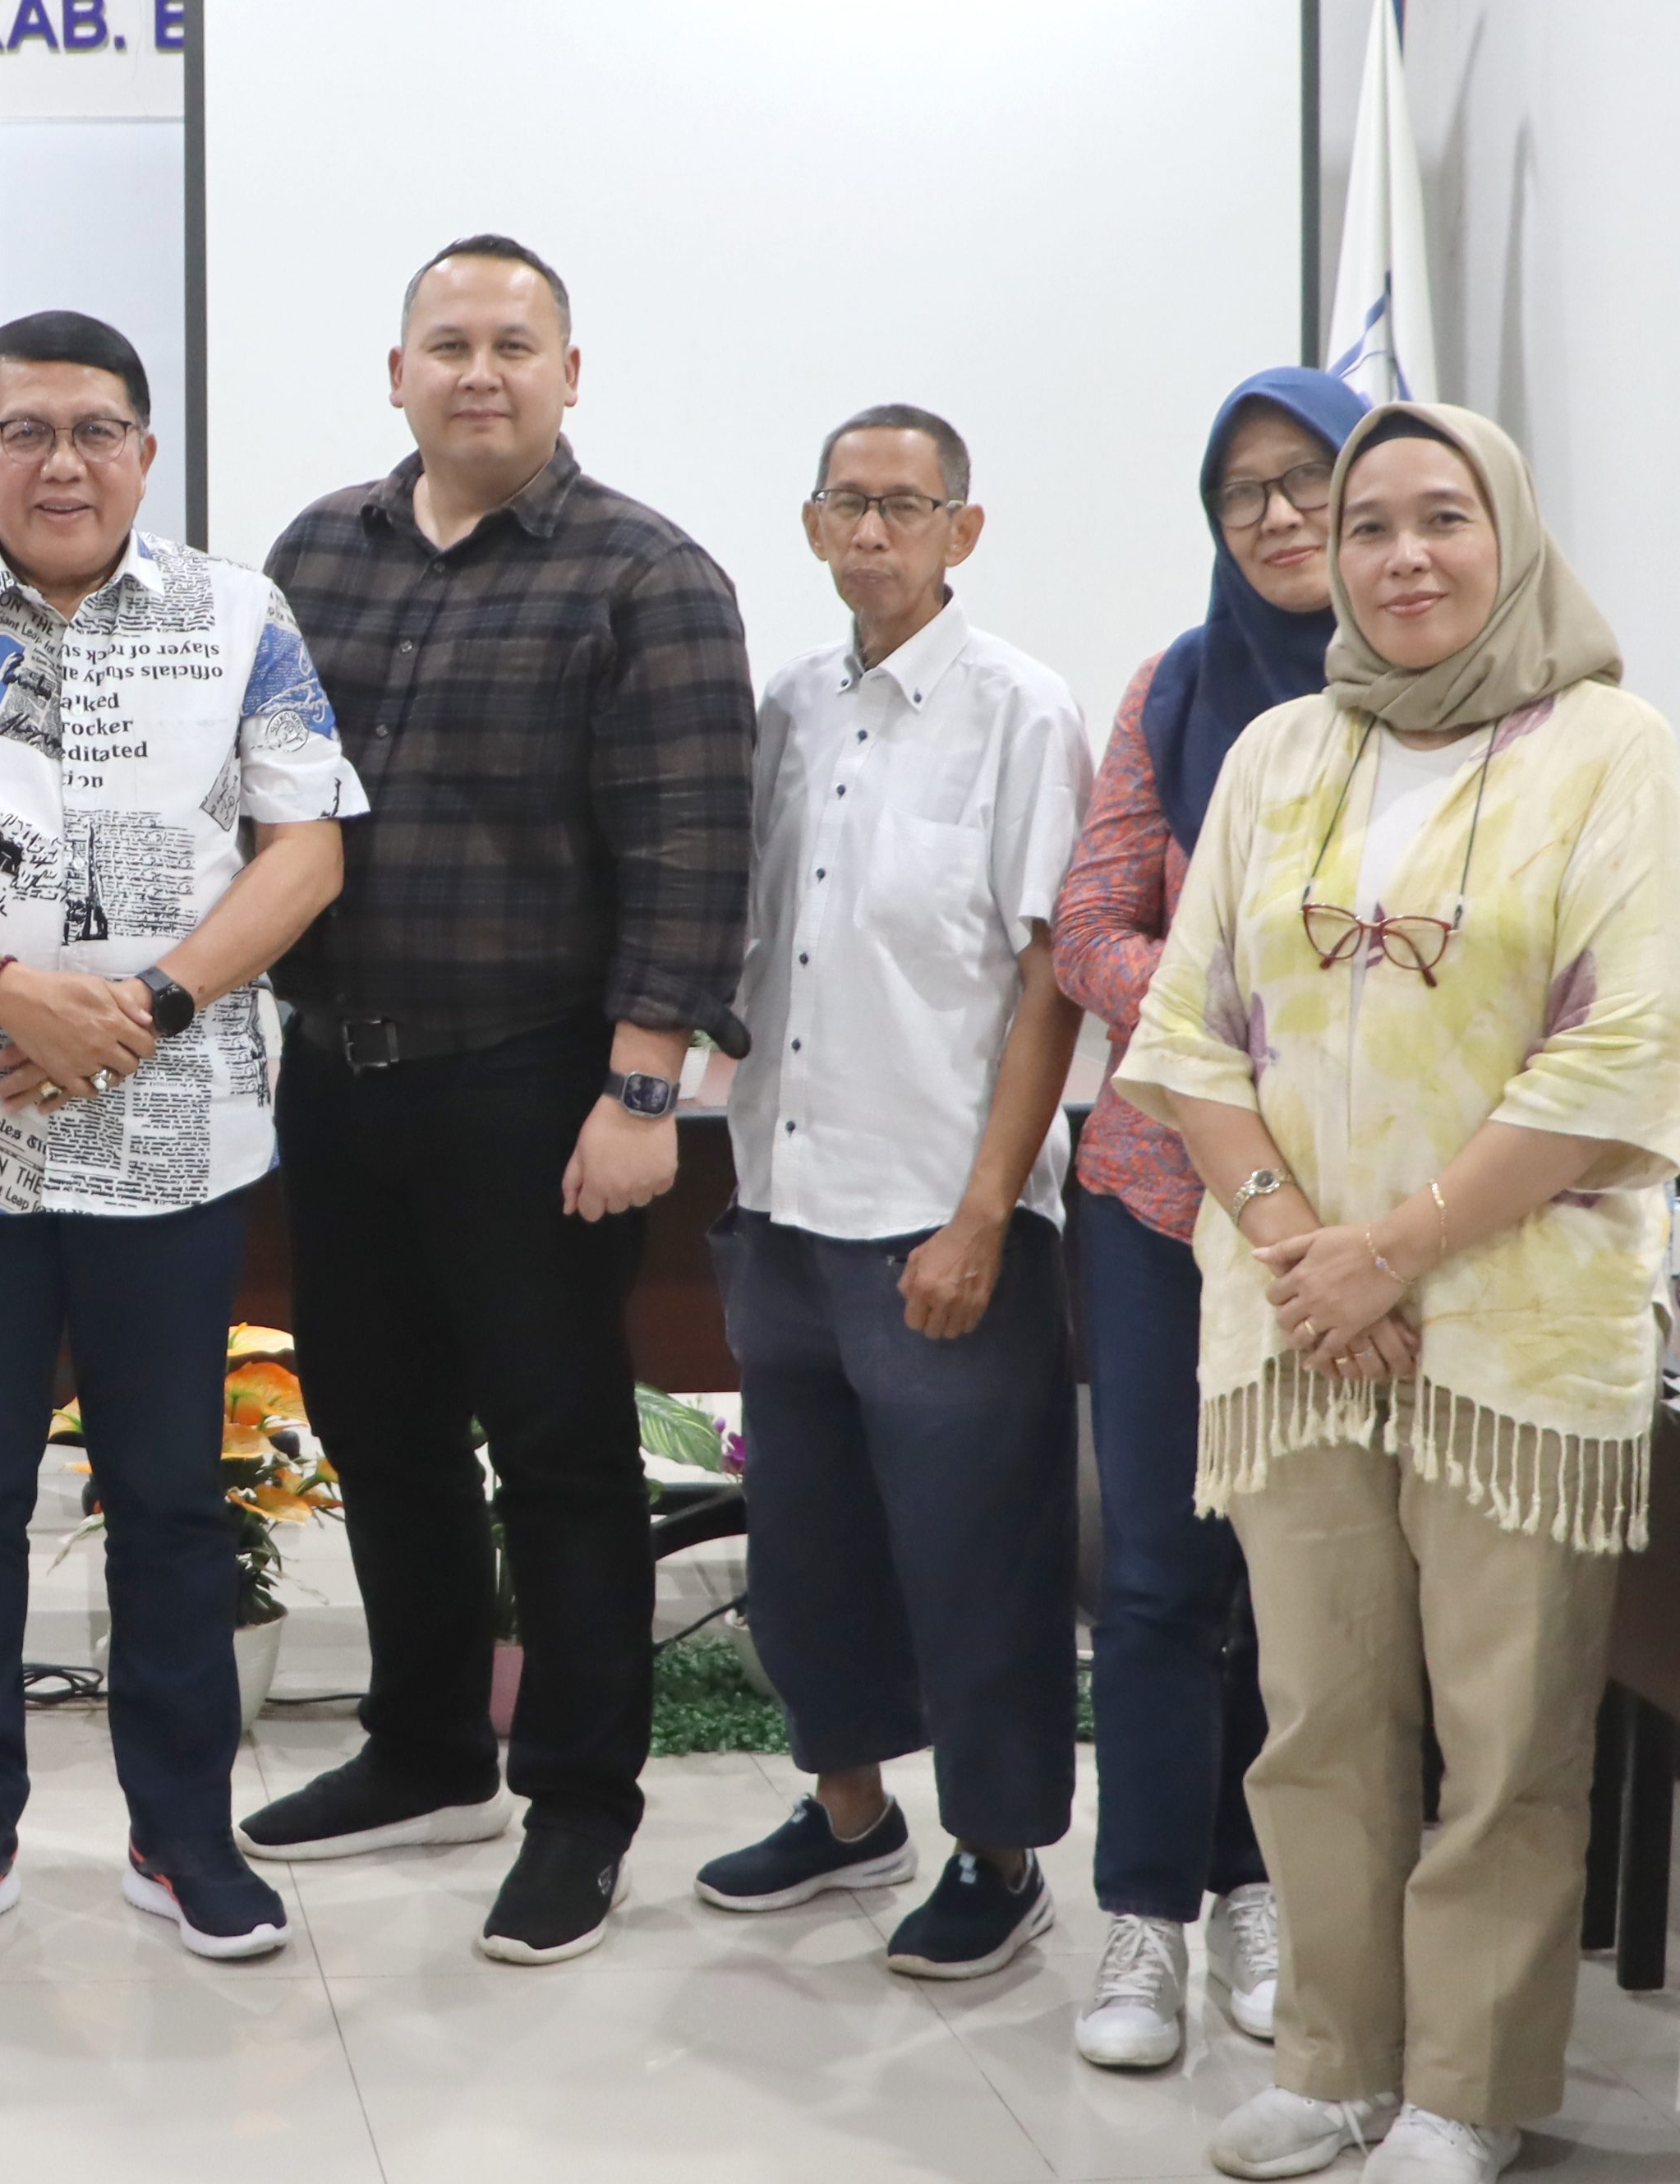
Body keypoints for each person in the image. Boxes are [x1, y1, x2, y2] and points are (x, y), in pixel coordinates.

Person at [1119, 400, 1680, 2184]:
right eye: (1365, 527)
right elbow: (1182, 1032)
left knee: (1502, 1729)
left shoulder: (1610, 750)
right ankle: (1331, 2060)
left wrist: (1398, 1248)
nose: (1399, 556)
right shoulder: (1283, 747)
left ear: (1506, 535)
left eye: (1440, 519)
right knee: (1318, 1710)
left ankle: (1466, 2088)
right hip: (1294, 1321)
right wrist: (1304, 1243)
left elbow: (1620, 1053)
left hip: (1509, 1333)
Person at [0, 309, 365, 1968]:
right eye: (26, 431)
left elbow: (303, 849)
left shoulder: (234, 613)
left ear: (145, 451)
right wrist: (5, 990)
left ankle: (180, 1837)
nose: (62, 459)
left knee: (172, 1500)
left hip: (171, 1139)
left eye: (95, 428)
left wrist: (149, 1008)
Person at [246, 233, 755, 1966]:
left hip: (540, 1086)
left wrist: (639, 1090)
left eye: (513, 345)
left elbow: (691, 855)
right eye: (446, 342)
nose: (479, 371)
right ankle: (423, 1744)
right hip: (340, 1074)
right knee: (376, 1425)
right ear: (395, 370)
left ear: (568, 372)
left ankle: (580, 1798)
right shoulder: (316, 550)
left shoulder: (645, 576)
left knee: (552, 1445)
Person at [690, 404, 1093, 1986]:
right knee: (810, 1550)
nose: (873, 533)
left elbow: (1055, 971)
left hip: (942, 1218)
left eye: (905, 507)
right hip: (785, 1203)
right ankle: (850, 1812)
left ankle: (1001, 1857)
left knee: (975, 1557)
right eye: (848, 506)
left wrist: (988, 1212)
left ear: (961, 531)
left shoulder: (1018, 711)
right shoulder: (788, 709)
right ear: (811, 527)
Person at [1047, 366, 1369, 2071]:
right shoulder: (1174, 690)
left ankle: (1261, 1887)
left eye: (1302, 478)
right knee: (1162, 1573)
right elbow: (1086, 923)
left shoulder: (1443, 707)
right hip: (1166, 1195)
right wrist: (1224, 1013)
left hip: (1360, 1223)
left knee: (1294, 1564)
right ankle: (1144, 1920)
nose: (1271, 515)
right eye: (1238, 490)